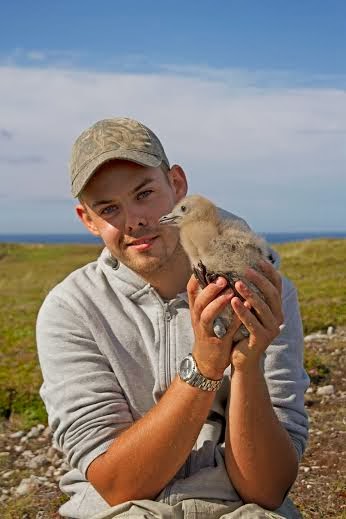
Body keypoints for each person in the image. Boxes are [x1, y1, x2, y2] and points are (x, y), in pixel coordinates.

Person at [36, 117, 310, 519]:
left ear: (177, 184)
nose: (135, 220)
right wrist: (205, 364)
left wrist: (246, 366)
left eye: (145, 193)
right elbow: (117, 486)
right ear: (88, 220)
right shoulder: (71, 310)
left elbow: (268, 489)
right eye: (109, 208)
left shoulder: (266, 288)